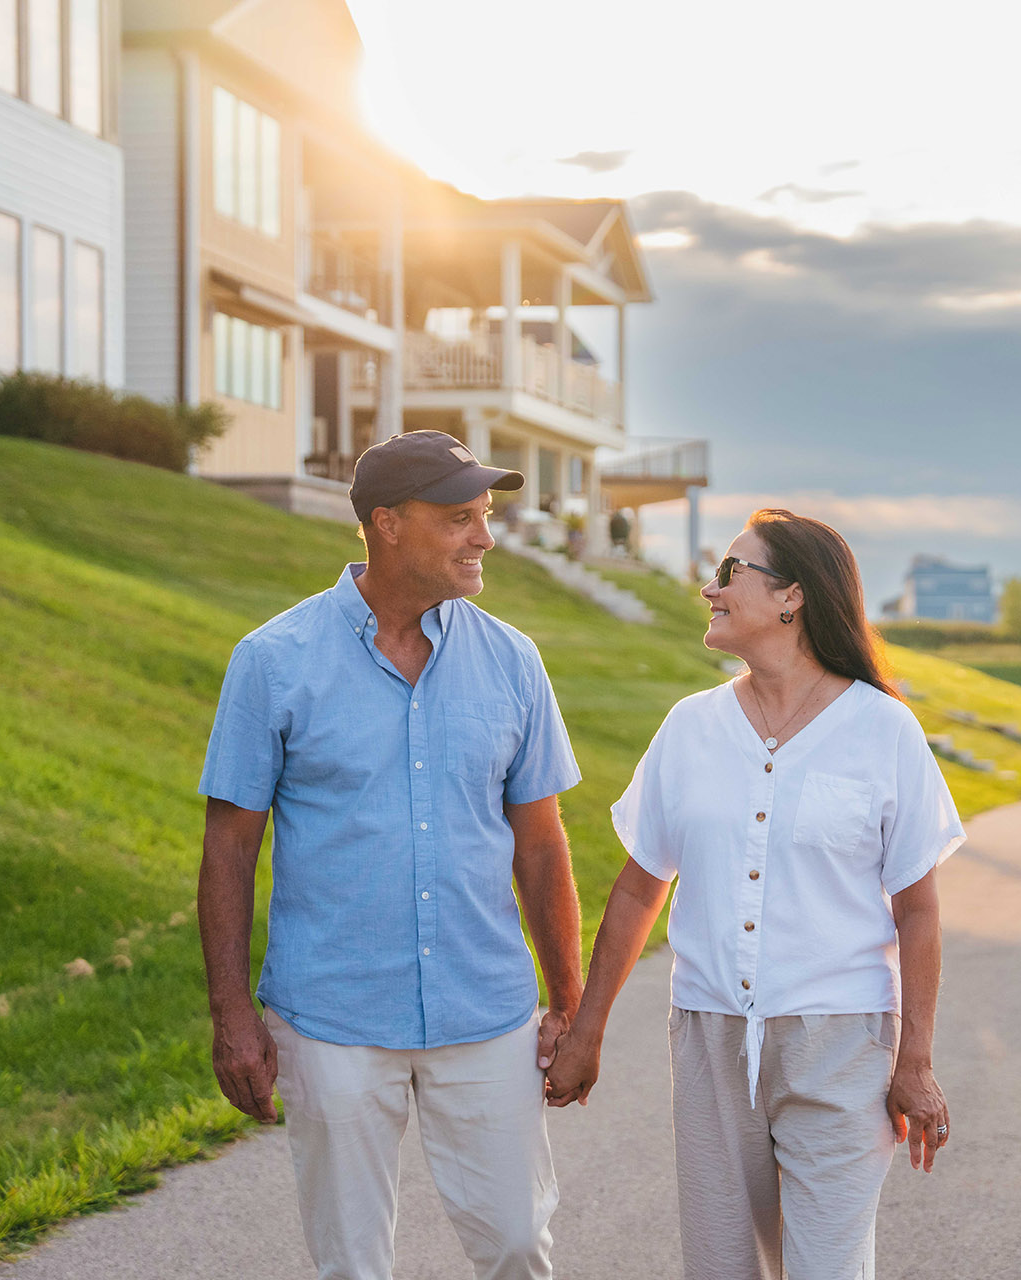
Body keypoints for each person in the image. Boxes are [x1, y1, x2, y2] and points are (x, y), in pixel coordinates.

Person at [196, 431, 585, 1280]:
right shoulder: (273, 662)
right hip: (332, 1015)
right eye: (459, 519)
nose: (483, 537)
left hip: (484, 1010)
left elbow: (542, 841)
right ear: (387, 525)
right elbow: (229, 848)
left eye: (484, 516)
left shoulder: (513, 660)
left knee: (520, 1243)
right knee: (353, 1265)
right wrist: (232, 1018)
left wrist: (573, 1004)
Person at [547, 508, 964, 1280]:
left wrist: (916, 1060)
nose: (709, 588)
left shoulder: (884, 731)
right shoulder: (690, 727)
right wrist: (586, 1032)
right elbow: (641, 890)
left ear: (790, 597)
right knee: (721, 1267)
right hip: (708, 1039)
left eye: (729, 571)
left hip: (840, 1042)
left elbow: (918, 909)